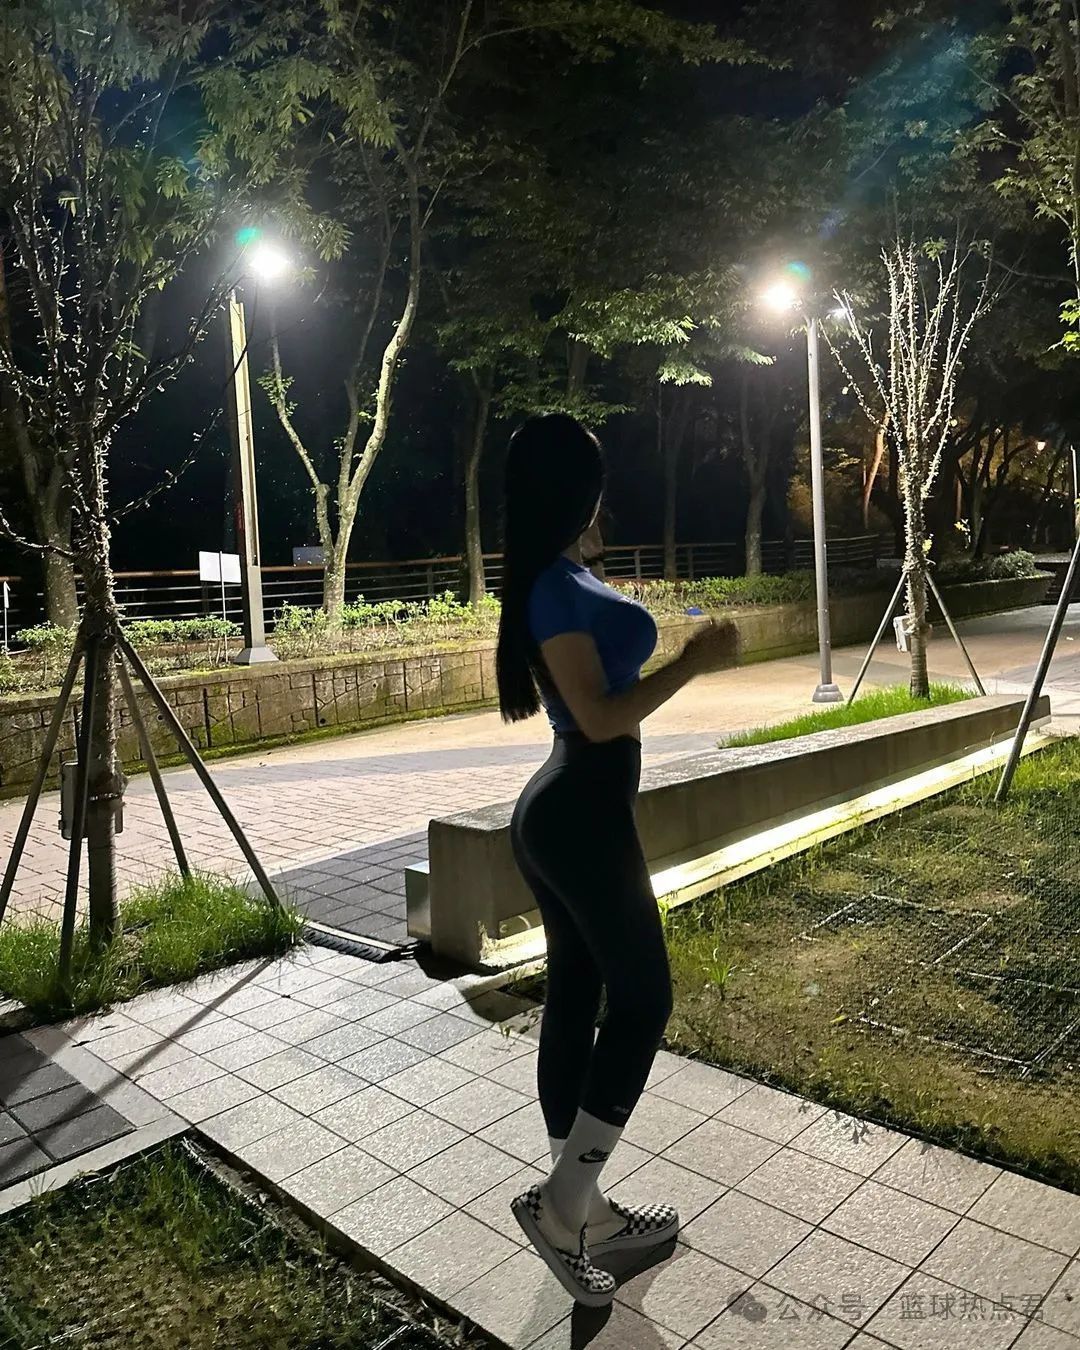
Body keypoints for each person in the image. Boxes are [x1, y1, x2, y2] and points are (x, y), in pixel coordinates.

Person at [497, 412, 734, 1305]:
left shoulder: (560, 573)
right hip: (579, 815)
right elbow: (599, 718)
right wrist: (694, 660)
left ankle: (584, 1204)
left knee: (578, 993)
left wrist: (588, 551)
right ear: (574, 490)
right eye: (592, 482)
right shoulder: (550, 588)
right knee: (644, 999)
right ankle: (562, 1205)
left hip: (571, 811)